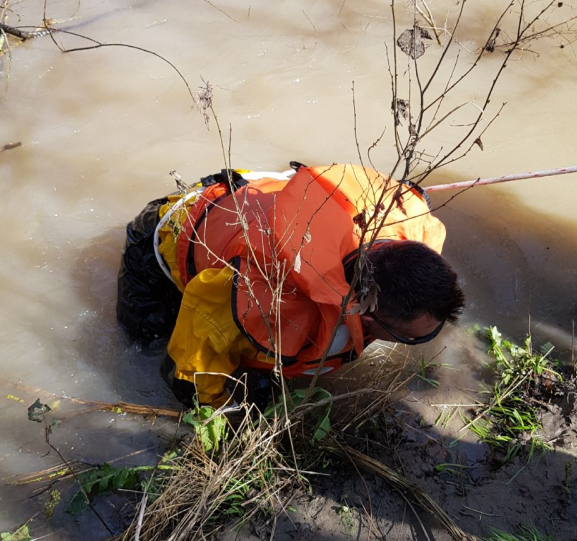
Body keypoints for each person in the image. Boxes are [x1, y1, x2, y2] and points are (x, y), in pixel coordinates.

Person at [117, 163, 464, 407]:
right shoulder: (261, 293)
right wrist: (226, 422)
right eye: (412, 338)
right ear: (369, 317)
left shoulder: (412, 225)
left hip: (257, 196)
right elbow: (187, 375)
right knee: (145, 344)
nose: (417, 343)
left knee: (267, 376)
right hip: (172, 231)